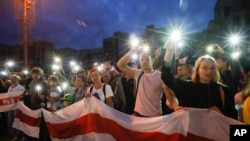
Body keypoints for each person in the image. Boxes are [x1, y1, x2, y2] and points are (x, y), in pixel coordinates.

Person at [161, 41, 237, 119]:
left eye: (212, 68)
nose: (209, 71)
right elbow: (167, 76)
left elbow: (234, 120)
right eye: (205, 68)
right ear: (197, 70)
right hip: (191, 130)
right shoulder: (185, 87)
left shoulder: (224, 91)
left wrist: (222, 115)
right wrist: (169, 53)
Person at [117, 47, 178, 117]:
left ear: (152, 61)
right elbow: (120, 65)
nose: (144, 62)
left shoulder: (161, 76)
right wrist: (131, 52)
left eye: (147, 59)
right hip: (138, 115)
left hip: (154, 117)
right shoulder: (138, 73)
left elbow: (170, 97)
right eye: (142, 60)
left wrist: (175, 107)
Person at [7, 75, 25, 139]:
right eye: (11, 79)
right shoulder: (10, 88)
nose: (12, 80)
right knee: (10, 122)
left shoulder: (21, 88)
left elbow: (22, 98)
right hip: (10, 108)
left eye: (14, 79)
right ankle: (12, 134)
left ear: (18, 80)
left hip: (17, 108)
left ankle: (18, 135)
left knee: (16, 122)